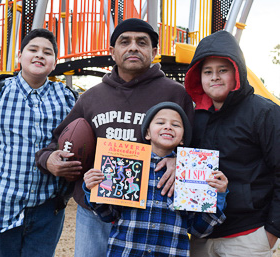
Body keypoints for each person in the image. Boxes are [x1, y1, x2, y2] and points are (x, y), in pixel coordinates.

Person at [35, 18, 194, 257]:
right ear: (112, 52)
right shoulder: (91, 97)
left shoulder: (175, 93)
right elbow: (59, 142)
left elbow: (195, 143)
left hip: (145, 215)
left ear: (154, 51)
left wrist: (180, 160)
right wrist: (49, 159)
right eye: (124, 41)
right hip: (96, 209)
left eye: (142, 42)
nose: (133, 47)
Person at [83, 101, 228, 256]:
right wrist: (93, 187)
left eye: (176, 125)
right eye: (160, 122)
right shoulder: (124, 166)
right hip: (124, 251)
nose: (168, 127)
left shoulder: (193, 172)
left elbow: (200, 229)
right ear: (147, 133)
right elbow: (108, 214)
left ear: (183, 139)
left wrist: (217, 195)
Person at [0, 28, 77, 257]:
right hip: (0, 203)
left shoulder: (66, 98)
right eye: (32, 50)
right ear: (19, 56)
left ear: (54, 63)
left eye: (47, 52)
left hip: (47, 207)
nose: (39, 55)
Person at [184, 30, 280, 256]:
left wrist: (273, 230)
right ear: (199, 78)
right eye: (207, 71)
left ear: (237, 73)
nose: (214, 77)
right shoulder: (194, 117)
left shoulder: (265, 113)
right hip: (203, 234)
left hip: (248, 234)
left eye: (222, 70)